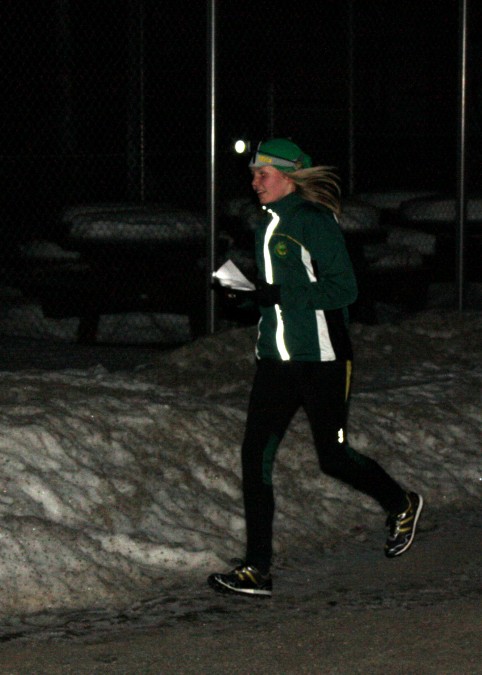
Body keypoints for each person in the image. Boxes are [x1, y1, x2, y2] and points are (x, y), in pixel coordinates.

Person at [208, 138, 423, 597]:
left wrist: (276, 295)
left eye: (263, 174)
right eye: (252, 175)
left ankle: (401, 502)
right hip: (277, 360)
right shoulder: (268, 224)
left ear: (289, 176)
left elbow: (344, 289)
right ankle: (257, 569)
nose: (254, 182)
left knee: (334, 456)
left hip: (323, 359)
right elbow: (280, 294)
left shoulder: (313, 221)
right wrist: (247, 296)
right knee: (255, 457)